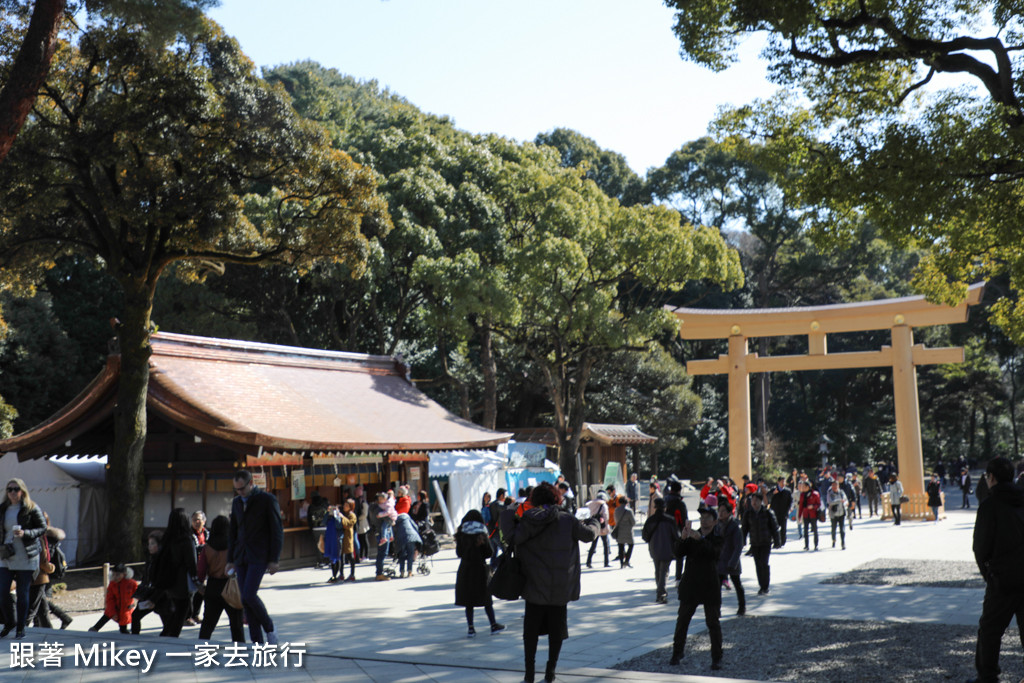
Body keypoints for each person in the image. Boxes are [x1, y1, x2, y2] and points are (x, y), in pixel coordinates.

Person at [512, 482, 600, 683]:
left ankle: (529, 673)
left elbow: (514, 539)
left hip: (533, 584)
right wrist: (595, 522)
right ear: (556, 498)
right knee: (556, 632)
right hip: (560, 586)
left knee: (530, 632)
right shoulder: (567, 520)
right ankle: (550, 672)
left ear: (534, 500)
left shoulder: (528, 519)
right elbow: (588, 535)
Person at [969, 457, 1024, 683]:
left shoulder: (990, 506)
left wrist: (989, 575)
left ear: (991, 478)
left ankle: (988, 677)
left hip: (1002, 580)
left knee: (990, 632)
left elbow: (980, 548)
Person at [227, 469, 284, 644]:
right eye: (236, 489)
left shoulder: (267, 500)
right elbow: (233, 532)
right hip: (241, 555)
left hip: (259, 554)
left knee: (249, 595)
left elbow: (277, 530)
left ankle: (269, 627)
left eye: (242, 489)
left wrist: (274, 559)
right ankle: (257, 641)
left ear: (251, 484)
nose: (240, 492)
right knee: (245, 600)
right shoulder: (237, 502)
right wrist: (230, 560)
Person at [669, 506, 724, 670]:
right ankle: (677, 653)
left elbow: (714, 554)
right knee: (682, 621)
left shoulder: (717, 537)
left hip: (709, 584)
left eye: (707, 518)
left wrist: (700, 539)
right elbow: (678, 553)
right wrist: (683, 538)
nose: (704, 521)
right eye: (702, 518)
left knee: (713, 623)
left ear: (714, 521)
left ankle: (717, 657)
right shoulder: (693, 535)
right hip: (691, 583)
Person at [0, 478, 48, 639]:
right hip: (6, 554)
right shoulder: (3, 508)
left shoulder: (31, 508)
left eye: (16, 489)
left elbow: (42, 528)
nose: (13, 492)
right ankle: (10, 621)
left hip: (26, 555)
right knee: (2, 591)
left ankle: (21, 627)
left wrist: (25, 533)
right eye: (9, 489)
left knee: (23, 593)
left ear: (22, 491)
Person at [454, 510, 504, 638]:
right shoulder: (481, 532)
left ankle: (471, 629)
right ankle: (493, 625)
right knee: (486, 598)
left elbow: (459, 553)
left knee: (468, 600)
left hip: (465, 568)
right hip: (480, 569)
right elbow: (489, 553)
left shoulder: (461, 533)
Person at [153, 507, 199, 637]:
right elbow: (191, 562)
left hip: (166, 579)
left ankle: (166, 633)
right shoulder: (186, 539)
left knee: (173, 611)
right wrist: (197, 579)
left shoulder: (166, 538)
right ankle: (172, 636)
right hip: (181, 580)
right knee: (181, 611)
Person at [198, 515, 244, 643]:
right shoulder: (233, 546)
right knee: (236, 624)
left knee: (208, 623)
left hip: (213, 586)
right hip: (231, 585)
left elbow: (201, 571)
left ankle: (201, 647)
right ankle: (240, 651)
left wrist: (200, 585)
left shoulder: (207, 548)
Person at [742, 492, 780, 595]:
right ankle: (761, 586)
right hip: (754, 543)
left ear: (761, 501)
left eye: (756, 500)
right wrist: (742, 541)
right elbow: (744, 529)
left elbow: (774, 528)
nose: (754, 503)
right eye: (753, 500)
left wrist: (777, 541)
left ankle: (765, 586)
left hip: (765, 543)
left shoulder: (767, 512)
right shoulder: (748, 513)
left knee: (764, 564)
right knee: (758, 565)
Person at [642, 497, 677, 604]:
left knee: (658, 570)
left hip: (654, 549)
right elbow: (676, 536)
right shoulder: (670, 520)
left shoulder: (650, 520)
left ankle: (660, 590)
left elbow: (644, 536)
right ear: (665, 508)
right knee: (664, 571)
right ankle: (661, 593)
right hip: (667, 549)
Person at [131, 530, 165, 634]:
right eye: (149, 544)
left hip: (160, 596)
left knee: (168, 623)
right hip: (148, 593)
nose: (150, 546)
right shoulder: (150, 559)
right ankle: (134, 638)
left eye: (153, 543)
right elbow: (146, 577)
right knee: (135, 616)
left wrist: (153, 599)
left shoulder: (163, 560)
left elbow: (163, 582)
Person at [89, 564, 138, 634]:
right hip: (114, 607)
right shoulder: (112, 584)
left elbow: (138, 593)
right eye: (113, 575)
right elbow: (109, 599)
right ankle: (94, 629)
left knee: (123, 628)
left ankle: (132, 636)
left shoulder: (132, 583)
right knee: (107, 615)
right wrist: (113, 613)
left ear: (124, 574)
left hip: (125, 609)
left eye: (117, 575)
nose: (115, 577)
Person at [716, 500, 744, 616]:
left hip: (732, 560)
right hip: (720, 561)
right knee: (716, 588)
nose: (721, 513)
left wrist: (733, 562)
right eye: (719, 511)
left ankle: (742, 607)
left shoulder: (734, 527)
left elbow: (738, 546)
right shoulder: (717, 525)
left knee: (737, 584)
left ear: (729, 513)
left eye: (723, 511)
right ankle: (716, 609)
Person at [187, 510, 207, 626]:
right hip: (193, 565)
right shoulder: (190, 534)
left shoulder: (207, 533)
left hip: (204, 567)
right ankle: (188, 616)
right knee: (191, 592)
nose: (196, 522)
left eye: (199, 519)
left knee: (201, 592)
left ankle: (195, 614)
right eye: (194, 520)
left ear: (204, 521)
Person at [585, 490, 611, 569]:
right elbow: (606, 517)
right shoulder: (603, 505)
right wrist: (606, 526)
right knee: (605, 545)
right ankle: (606, 562)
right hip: (602, 527)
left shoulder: (590, 504)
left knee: (593, 545)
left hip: (594, 526)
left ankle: (588, 561)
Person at [393, 511, 422, 579]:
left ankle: (402, 572)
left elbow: (394, 531)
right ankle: (410, 572)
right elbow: (416, 527)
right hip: (412, 537)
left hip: (401, 539)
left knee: (402, 555)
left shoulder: (395, 520)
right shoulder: (407, 518)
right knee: (410, 555)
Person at [374, 492, 395, 581]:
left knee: (381, 553)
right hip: (381, 533)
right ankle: (379, 573)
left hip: (378, 532)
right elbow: (387, 519)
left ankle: (379, 572)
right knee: (382, 553)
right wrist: (391, 520)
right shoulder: (378, 509)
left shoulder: (380, 507)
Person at [613, 495, 635, 568]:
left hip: (619, 531)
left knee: (620, 546)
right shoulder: (629, 511)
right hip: (628, 531)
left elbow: (615, 520)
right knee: (631, 545)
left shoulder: (616, 510)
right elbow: (633, 522)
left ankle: (621, 563)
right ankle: (627, 560)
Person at [767, 478, 792, 546]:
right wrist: (773, 493)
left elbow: (790, 501)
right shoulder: (773, 489)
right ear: (778, 482)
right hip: (775, 512)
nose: (783, 483)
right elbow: (768, 497)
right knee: (774, 528)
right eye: (781, 481)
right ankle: (776, 542)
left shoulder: (787, 491)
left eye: (784, 482)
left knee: (783, 528)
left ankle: (783, 542)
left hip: (784, 512)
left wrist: (790, 508)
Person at [798, 481, 820, 551]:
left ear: (808, 487)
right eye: (802, 487)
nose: (803, 488)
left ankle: (816, 545)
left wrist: (813, 506)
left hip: (813, 514)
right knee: (805, 530)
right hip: (805, 514)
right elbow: (801, 505)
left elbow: (819, 504)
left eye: (804, 487)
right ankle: (806, 545)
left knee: (815, 530)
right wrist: (799, 515)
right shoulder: (802, 495)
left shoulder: (815, 494)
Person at [826, 480, 847, 550]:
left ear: (838, 486)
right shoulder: (829, 493)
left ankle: (843, 543)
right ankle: (833, 540)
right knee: (833, 529)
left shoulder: (841, 492)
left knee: (842, 530)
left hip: (841, 513)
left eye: (836, 485)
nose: (835, 487)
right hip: (833, 514)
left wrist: (845, 502)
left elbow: (845, 499)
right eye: (833, 485)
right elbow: (830, 502)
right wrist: (839, 500)